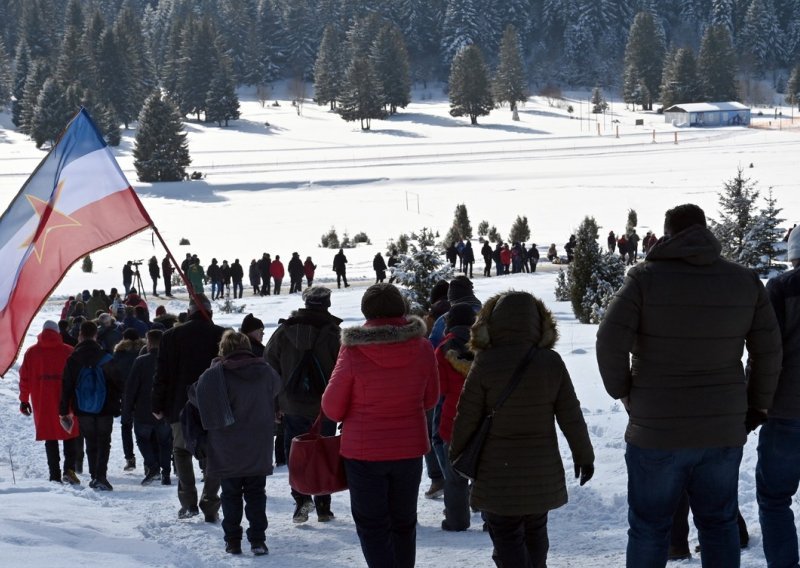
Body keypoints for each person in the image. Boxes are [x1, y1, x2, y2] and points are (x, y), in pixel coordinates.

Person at [595, 203, 782, 567]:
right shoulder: (743, 280)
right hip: (722, 427)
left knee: (649, 527)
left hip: (656, 429)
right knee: (719, 523)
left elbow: (608, 340)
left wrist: (624, 392)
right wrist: (757, 406)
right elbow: (768, 351)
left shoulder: (644, 278)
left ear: (667, 235)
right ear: (705, 230)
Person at [451, 291, 595, 567]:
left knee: (505, 535)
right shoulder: (550, 362)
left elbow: (466, 416)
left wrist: (456, 455)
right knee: (536, 529)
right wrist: (584, 455)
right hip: (540, 468)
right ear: (538, 322)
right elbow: (571, 415)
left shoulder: (485, 362)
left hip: (497, 471)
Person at [322, 283, 439, 568]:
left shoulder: (353, 350)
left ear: (366, 311)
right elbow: (431, 398)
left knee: (372, 525)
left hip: (364, 453)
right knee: (403, 522)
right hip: (409, 448)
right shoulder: (423, 347)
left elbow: (332, 407)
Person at [189, 331, 281, 556]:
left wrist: (212, 371)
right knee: (256, 492)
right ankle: (258, 539)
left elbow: (194, 396)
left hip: (226, 444)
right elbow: (277, 389)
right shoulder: (265, 371)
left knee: (230, 493)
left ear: (224, 349)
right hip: (258, 443)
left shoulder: (216, 374)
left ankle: (233, 541)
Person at [265, 286, 342, 523]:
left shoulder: (283, 331)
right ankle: (323, 506)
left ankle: (301, 499)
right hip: (325, 406)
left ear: (305, 303)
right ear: (327, 304)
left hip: (292, 404)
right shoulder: (334, 333)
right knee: (324, 453)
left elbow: (269, 366)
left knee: (296, 453)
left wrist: (275, 402)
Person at [152, 293, 224, 521]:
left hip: (179, 405)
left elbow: (161, 373)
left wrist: (157, 403)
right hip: (214, 407)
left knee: (181, 451)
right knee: (215, 455)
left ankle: (188, 501)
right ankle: (210, 501)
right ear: (209, 312)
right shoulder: (221, 335)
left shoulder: (171, 336)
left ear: (189, 311)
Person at [757, 226, 800, 567]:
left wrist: (756, 400)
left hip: (786, 410)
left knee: (774, 500)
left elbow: (766, 352)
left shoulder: (781, 288)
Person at [59, 320, 125, 491]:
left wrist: (64, 410)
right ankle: (101, 476)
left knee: (90, 440)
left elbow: (66, 386)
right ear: (96, 335)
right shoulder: (106, 357)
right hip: (105, 407)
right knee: (104, 440)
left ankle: (94, 475)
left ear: (80, 335)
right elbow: (118, 382)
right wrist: (118, 402)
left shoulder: (73, 359)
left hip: (83, 407)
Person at [19, 320, 81, 485]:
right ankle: (69, 470)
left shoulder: (31, 353)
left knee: (50, 438)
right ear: (57, 332)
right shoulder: (68, 351)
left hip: (42, 402)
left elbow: (24, 379)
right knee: (69, 434)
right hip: (66, 401)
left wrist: (24, 400)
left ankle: (54, 474)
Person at [433, 304, 475, 531]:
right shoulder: (486, 345)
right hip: (485, 416)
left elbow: (440, 388)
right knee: (486, 472)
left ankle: (456, 520)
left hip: (454, 417)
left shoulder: (442, 350)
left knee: (455, 476)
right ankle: (493, 520)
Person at [124, 329, 173, 486]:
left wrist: (127, 409)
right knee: (166, 442)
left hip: (143, 411)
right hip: (165, 410)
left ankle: (153, 467)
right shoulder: (170, 360)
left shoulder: (141, 361)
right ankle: (166, 473)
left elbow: (131, 388)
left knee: (143, 440)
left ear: (149, 342)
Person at [114, 328, 146, 472]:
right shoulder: (144, 352)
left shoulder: (119, 354)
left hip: (126, 395)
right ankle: (149, 460)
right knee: (145, 426)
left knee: (126, 426)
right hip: (143, 395)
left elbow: (115, 376)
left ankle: (130, 458)